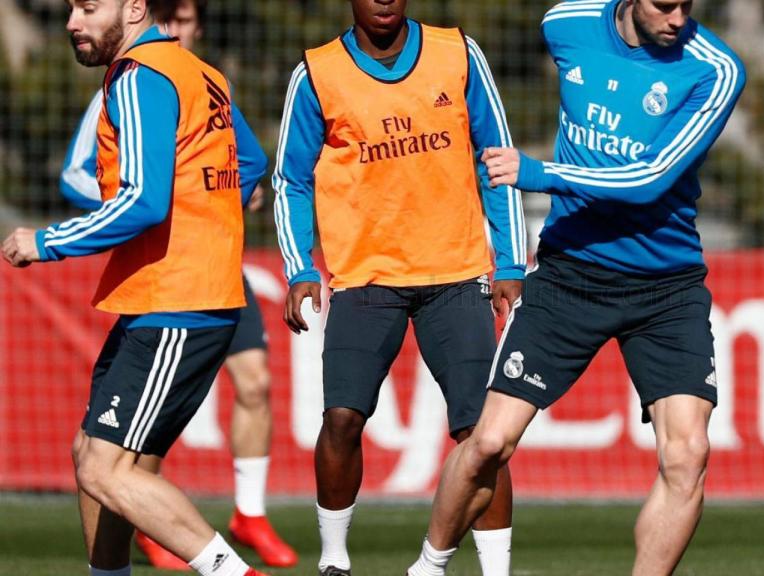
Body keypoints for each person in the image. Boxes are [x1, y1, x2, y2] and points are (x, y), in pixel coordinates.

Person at [407, 1, 746, 575]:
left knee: (688, 455)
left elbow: (651, 179)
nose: (678, 18)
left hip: (666, 289)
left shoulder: (715, 68)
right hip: (570, 275)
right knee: (489, 443)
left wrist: (539, 173)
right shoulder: (565, 22)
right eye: (665, 4)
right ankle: (427, 567)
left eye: (688, 4)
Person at [2, 0, 272, 574]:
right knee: (90, 453)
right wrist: (209, 217)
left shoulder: (137, 76)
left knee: (104, 468)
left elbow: (143, 202)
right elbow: (250, 162)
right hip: (177, 297)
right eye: (71, 8)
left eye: (89, 7)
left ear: (134, 9)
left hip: (177, 301)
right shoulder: (199, 72)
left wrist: (46, 241)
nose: (73, 22)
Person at [273, 0, 527, 574]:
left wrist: (511, 261)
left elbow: (497, 160)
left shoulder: (458, 53)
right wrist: (300, 268)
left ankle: (496, 570)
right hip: (365, 278)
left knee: (482, 434)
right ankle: (334, 559)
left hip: (456, 273)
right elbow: (291, 179)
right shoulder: (316, 72)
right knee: (342, 419)